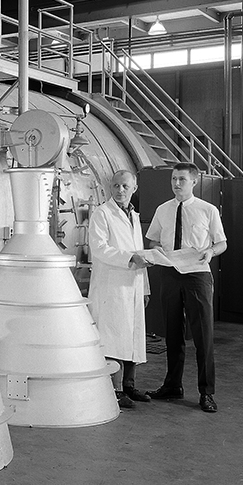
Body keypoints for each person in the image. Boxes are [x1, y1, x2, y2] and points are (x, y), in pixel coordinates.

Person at [146, 163, 227, 413]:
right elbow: (153, 240)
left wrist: (210, 252)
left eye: (182, 179)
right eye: (173, 179)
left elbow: (222, 242)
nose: (176, 183)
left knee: (203, 335)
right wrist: (156, 249)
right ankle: (172, 385)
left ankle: (206, 392)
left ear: (194, 182)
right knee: (172, 332)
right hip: (170, 273)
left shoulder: (207, 210)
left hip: (197, 275)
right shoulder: (162, 209)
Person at [88, 169, 151, 410]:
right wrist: (130, 259)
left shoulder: (134, 215)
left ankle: (129, 385)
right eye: (115, 186)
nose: (120, 190)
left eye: (125, 186)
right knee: (113, 336)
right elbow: (99, 248)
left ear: (134, 188)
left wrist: (145, 286)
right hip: (111, 285)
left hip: (133, 283)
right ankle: (114, 390)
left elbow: (140, 251)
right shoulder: (102, 213)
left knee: (132, 334)